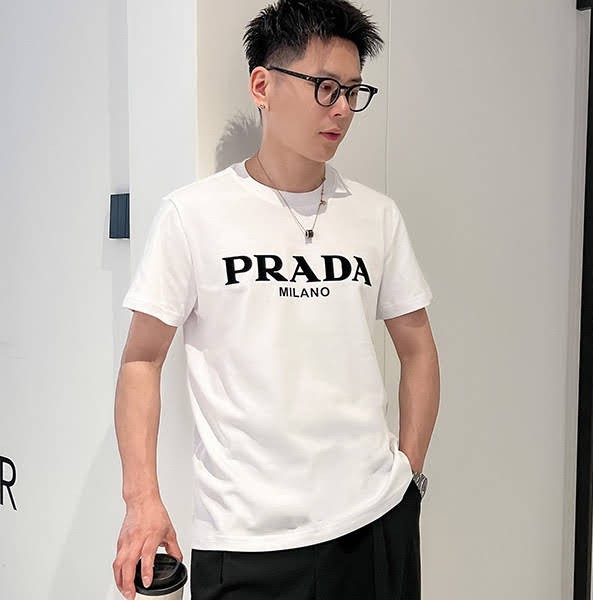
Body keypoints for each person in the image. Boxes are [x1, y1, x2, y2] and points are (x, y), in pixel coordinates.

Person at [112, 0, 440, 598]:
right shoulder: (193, 214)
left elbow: (417, 347)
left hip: (373, 523)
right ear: (263, 85)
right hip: (245, 541)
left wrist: (409, 478)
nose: (342, 108)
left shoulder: (377, 216)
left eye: (353, 92)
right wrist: (142, 499)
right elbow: (141, 360)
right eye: (325, 87)